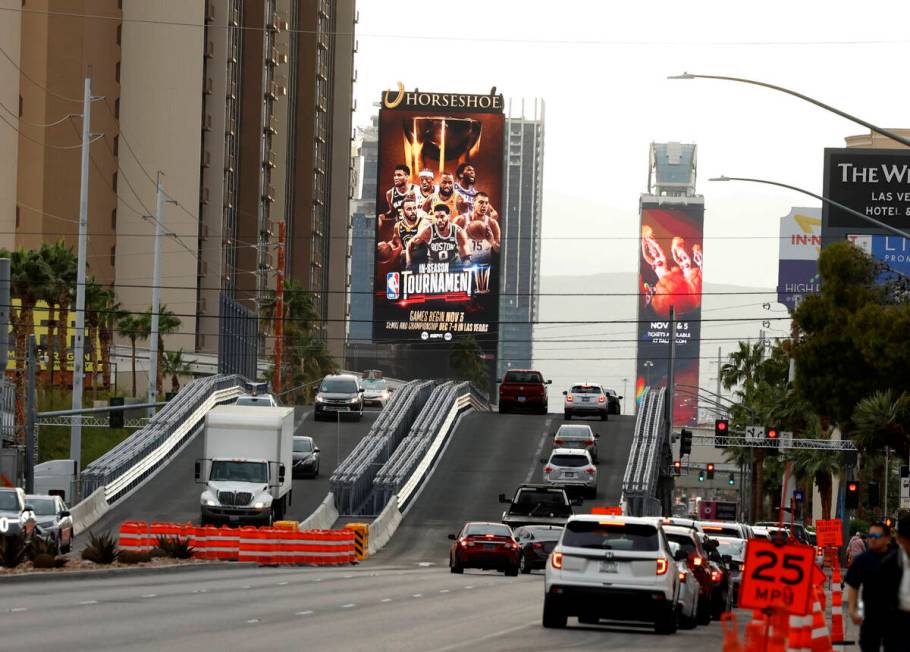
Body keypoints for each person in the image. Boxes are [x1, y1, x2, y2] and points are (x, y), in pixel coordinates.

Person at [845, 521, 899, 652]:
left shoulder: (898, 558)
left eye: (876, 537)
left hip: (895, 618)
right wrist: (852, 610)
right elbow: (853, 585)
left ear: (887, 539)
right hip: (870, 617)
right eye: (870, 536)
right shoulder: (862, 560)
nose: (872, 540)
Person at [406, 204, 470, 269]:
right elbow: (410, 243)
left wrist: (467, 264)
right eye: (436, 217)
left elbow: (466, 257)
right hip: (434, 268)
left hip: (453, 268)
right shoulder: (428, 231)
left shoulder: (457, 231)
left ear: (448, 216)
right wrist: (408, 262)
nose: (439, 220)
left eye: (442, 216)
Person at [376, 198, 428, 270]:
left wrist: (405, 254)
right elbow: (395, 243)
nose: (413, 211)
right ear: (403, 212)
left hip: (422, 263)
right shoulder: (398, 226)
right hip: (405, 265)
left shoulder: (424, 222)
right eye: (409, 209)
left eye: (414, 208)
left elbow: (426, 250)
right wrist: (384, 247)